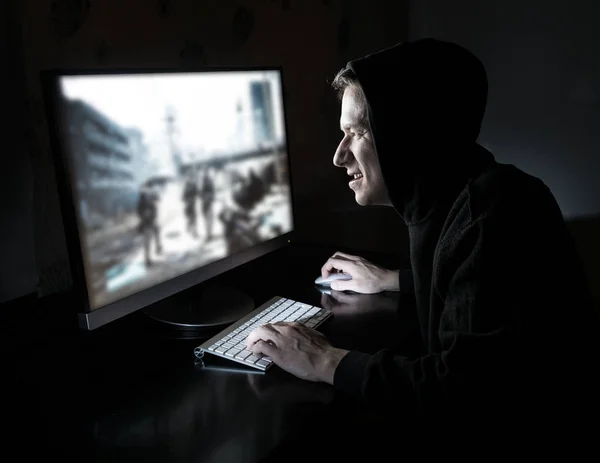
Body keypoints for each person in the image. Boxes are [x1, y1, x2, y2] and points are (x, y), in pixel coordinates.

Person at [246, 39, 600, 444]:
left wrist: (324, 359)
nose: (339, 155)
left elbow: (461, 394)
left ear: (408, 132)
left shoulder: (491, 216)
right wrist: (395, 280)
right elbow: (484, 291)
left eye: (357, 132)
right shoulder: (472, 194)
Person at [137, 182, 162, 267]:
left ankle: (158, 248)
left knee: (157, 231)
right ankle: (147, 259)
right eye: (145, 189)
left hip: (152, 221)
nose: (146, 191)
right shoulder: (142, 200)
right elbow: (139, 212)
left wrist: (153, 214)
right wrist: (145, 215)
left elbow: (155, 207)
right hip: (146, 223)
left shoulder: (149, 198)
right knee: (147, 242)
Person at [182, 170, 199, 238]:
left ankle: (193, 231)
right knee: (191, 218)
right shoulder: (187, 185)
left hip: (192, 203)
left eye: (190, 176)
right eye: (189, 176)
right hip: (189, 204)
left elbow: (197, 193)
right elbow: (183, 196)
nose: (190, 178)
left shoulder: (192, 184)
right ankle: (191, 229)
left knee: (193, 218)